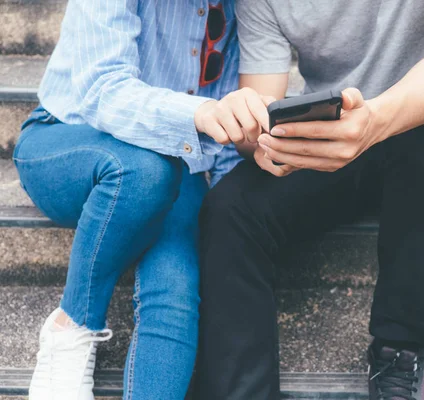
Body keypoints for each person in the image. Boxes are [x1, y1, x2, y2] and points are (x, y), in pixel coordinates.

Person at [192, 1, 424, 399]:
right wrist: (259, 136)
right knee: (229, 208)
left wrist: (375, 120)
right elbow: (261, 108)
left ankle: (400, 351)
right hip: (335, 136)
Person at [14, 1, 274, 399]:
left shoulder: (240, 8)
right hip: (66, 140)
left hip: (177, 162)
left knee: (175, 289)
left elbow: (225, 124)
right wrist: (199, 113)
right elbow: (102, 88)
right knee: (145, 172)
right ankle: (73, 325)